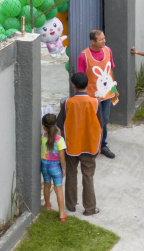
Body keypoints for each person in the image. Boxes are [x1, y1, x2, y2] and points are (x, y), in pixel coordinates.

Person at [56, 72, 105, 216]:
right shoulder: (95, 103)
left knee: (71, 175)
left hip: (71, 146)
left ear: (73, 85)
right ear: (87, 84)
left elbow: (61, 125)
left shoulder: (67, 103)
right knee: (88, 176)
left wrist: (64, 145)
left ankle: (70, 205)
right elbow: (101, 127)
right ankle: (90, 208)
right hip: (90, 146)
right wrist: (99, 146)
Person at [76, 29, 118, 159]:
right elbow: (80, 77)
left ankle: (102, 145)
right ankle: (89, 145)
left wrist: (114, 88)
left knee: (103, 121)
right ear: (93, 41)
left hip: (106, 95)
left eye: (104, 38)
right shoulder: (84, 56)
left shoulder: (108, 50)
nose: (104, 41)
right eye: (101, 39)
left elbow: (110, 71)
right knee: (90, 122)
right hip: (91, 97)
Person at [41, 113, 68, 222]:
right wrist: (64, 168)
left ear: (43, 126)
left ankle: (47, 205)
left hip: (44, 164)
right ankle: (61, 214)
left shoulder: (43, 137)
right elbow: (61, 155)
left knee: (46, 185)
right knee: (58, 189)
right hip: (55, 166)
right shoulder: (59, 139)